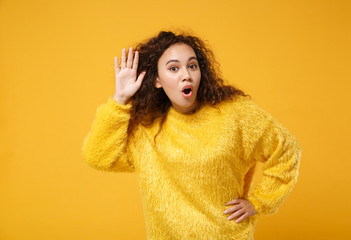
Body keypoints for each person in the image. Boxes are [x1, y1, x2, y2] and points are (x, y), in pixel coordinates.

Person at [81, 30, 302, 240]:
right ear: (157, 80)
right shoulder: (147, 131)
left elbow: (286, 149)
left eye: (192, 66)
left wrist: (260, 202)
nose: (186, 75)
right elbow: (97, 156)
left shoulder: (235, 113)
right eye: (174, 69)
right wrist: (120, 99)